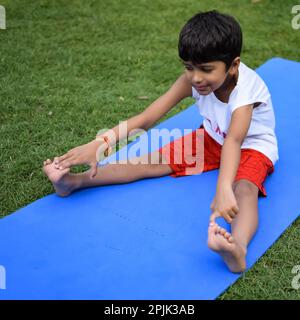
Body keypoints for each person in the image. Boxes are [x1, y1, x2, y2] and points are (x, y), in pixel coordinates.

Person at [42, 10, 278, 273]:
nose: (196, 77)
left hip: (252, 147)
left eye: (206, 70)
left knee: (243, 189)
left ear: (233, 65)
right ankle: (72, 183)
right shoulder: (192, 81)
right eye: (189, 67)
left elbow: (235, 141)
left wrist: (224, 188)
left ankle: (239, 249)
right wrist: (101, 143)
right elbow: (146, 118)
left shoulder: (246, 91)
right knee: (149, 162)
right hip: (212, 138)